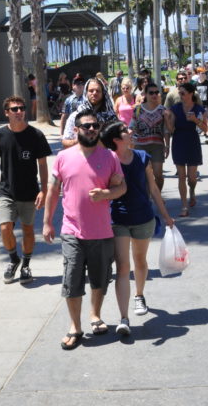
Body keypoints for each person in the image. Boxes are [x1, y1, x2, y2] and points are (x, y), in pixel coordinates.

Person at [43, 110, 126, 350]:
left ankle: (95, 315)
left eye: (95, 126)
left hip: (101, 230)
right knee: (72, 280)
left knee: (100, 279)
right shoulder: (63, 157)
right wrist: (47, 222)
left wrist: (106, 194)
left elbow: (122, 188)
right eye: (86, 126)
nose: (91, 130)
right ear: (76, 129)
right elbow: (52, 191)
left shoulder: (110, 157)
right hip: (72, 230)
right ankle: (75, 326)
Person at [100, 120, 174, 336]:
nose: (130, 131)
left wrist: (166, 216)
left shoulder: (142, 157)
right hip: (118, 220)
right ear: (116, 139)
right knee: (123, 267)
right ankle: (124, 318)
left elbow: (153, 188)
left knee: (140, 260)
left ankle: (139, 295)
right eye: (125, 130)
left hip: (143, 217)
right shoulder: (108, 160)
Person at [0, 96, 52, 282]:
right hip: (6, 191)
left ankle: (26, 265)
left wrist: (43, 190)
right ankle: (14, 259)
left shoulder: (36, 135)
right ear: (6, 112)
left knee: (28, 230)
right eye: (14, 109)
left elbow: (43, 165)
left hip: (29, 192)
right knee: (5, 228)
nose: (19, 112)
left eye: (22, 108)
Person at [168, 83, 206, 217]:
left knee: (192, 178)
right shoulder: (175, 108)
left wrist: (195, 120)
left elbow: (205, 129)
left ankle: (192, 191)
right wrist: (167, 118)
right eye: (179, 93)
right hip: (178, 141)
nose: (180, 95)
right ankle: (184, 205)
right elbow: (171, 129)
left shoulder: (198, 108)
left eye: (183, 93)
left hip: (192, 141)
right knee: (181, 176)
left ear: (190, 94)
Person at [131, 83, 171, 193]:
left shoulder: (162, 110)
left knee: (158, 175)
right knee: (143, 175)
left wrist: (167, 146)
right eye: (151, 93)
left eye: (156, 92)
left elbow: (166, 130)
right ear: (145, 94)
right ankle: (147, 198)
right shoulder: (138, 109)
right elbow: (132, 127)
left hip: (157, 146)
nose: (154, 95)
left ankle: (157, 195)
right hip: (140, 146)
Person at [62, 77, 116, 148]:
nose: (94, 93)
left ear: (103, 93)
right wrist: (81, 140)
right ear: (86, 93)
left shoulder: (111, 117)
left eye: (98, 91)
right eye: (91, 91)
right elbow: (65, 142)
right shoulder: (76, 115)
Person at [194, 68, 208, 143]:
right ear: (198, 74)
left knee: (206, 119)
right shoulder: (195, 84)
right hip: (197, 105)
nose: (204, 75)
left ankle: (207, 136)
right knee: (198, 120)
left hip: (206, 105)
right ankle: (200, 133)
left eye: (204, 73)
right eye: (202, 73)